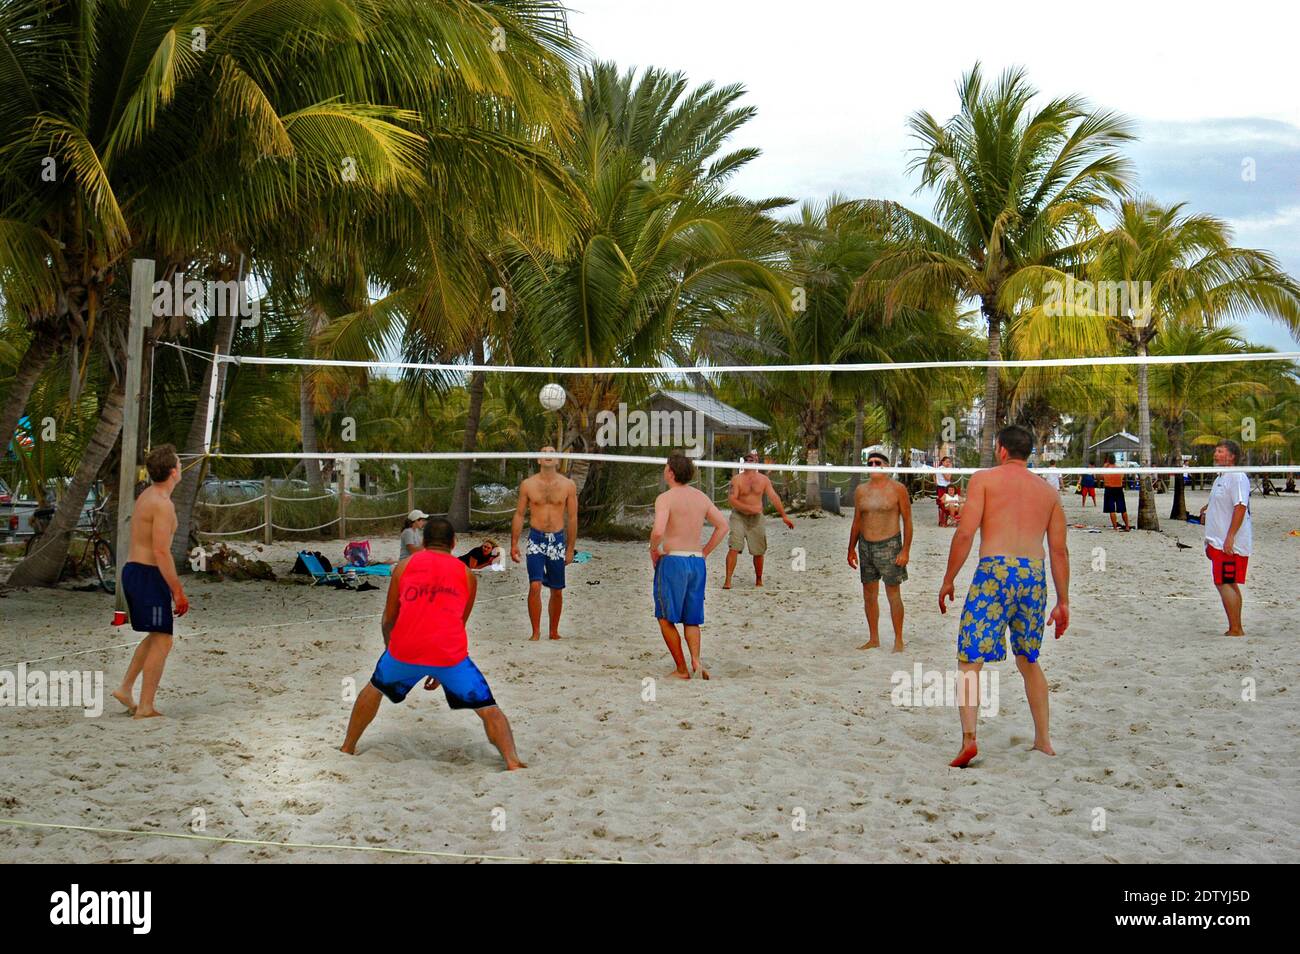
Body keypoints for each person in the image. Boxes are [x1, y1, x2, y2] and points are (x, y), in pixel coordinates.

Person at [341, 517, 524, 770]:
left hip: (404, 650)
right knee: (488, 708)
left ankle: (348, 746)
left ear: (424, 542)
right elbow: (459, 623)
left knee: (374, 689)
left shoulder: (404, 567)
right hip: (450, 655)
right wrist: (441, 669)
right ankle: (512, 760)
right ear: (453, 543)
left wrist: (389, 651)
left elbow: (388, 619)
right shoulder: (467, 574)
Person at [938, 425, 1069, 768]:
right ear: (1029, 454)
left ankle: (969, 738)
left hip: (995, 570)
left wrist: (948, 579)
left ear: (1000, 450)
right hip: (1033, 574)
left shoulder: (984, 479)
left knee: (970, 658)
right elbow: (1059, 552)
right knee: (1028, 659)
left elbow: (965, 533)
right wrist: (1063, 600)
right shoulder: (1047, 492)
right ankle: (1043, 740)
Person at [113, 444, 189, 719]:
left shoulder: (149, 494)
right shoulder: (161, 503)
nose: (181, 468)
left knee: (158, 636)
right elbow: (160, 551)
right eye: (179, 464)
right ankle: (145, 707)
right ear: (172, 471)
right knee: (164, 640)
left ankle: (125, 688)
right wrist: (178, 591)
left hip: (138, 572)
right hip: (147, 574)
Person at [650, 452, 729, 679]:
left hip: (674, 561)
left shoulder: (666, 498)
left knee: (665, 618)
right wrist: (704, 552)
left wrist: (654, 548)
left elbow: (657, 531)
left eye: (666, 467)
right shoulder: (701, 497)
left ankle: (682, 669)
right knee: (691, 618)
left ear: (671, 472)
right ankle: (696, 660)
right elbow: (722, 526)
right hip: (696, 562)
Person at [846, 450, 913, 652]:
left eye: (878, 463)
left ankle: (898, 640)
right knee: (869, 594)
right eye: (870, 463)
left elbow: (908, 522)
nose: (873, 466)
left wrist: (905, 551)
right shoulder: (861, 490)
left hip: (890, 546)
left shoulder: (898, 489)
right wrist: (851, 549)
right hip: (866, 546)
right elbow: (857, 520)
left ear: (886, 466)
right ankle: (873, 638)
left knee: (893, 593)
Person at [510, 446, 578, 640]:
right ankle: (535, 632)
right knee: (535, 586)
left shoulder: (568, 485)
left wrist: (570, 548)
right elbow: (519, 514)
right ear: (538, 459)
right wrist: (514, 543)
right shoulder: (528, 485)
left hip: (556, 540)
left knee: (557, 590)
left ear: (557, 460)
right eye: (544, 452)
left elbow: (572, 518)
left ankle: (554, 631)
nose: (548, 454)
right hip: (536, 539)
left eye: (552, 452)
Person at [1198, 439, 1252, 637]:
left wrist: (1230, 537)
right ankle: (1235, 626)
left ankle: (1236, 628)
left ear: (1232, 456)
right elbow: (1224, 504)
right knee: (1226, 581)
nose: (1216, 454)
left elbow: (1240, 506)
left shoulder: (1237, 476)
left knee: (1224, 582)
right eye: (1216, 450)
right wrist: (1208, 510)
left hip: (1228, 543)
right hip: (1217, 541)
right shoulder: (1221, 477)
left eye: (1220, 451)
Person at [723, 450, 794, 588]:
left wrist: (784, 516)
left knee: (759, 550)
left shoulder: (763, 480)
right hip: (739, 517)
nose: (750, 462)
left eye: (753, 459)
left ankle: (759, 579)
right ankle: (728, 580)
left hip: (756, 518)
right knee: (734, 546)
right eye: (747, 459)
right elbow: (732, 499)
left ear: (757, 462)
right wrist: (747, 508)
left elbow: (774, 497)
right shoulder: (737, 479)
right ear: (744, 462)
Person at [1100, 455, 1130, 530]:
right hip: (1118, 488)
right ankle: (1127, 526)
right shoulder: (1119, 469)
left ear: (1108, 461)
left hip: (1109, 488)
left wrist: (1104, 467)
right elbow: (1122, 477)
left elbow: (1100, 476)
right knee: (1123, 509)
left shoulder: (1106, 470)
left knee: (1112, 509)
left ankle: (1115, 527)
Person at [935, 456, 956, 526]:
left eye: (949, 462)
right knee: (945, 503)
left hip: (940, 487)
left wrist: (937, 483)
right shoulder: (943, 469)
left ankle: (942, 520)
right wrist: (951, 470)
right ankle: (945, 520)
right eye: (947, 462)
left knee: (942, 504)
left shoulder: (939, 468)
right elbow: (948, 478)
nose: (948, 463)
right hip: (943, 488)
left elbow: (933, 476)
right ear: (943, 462)